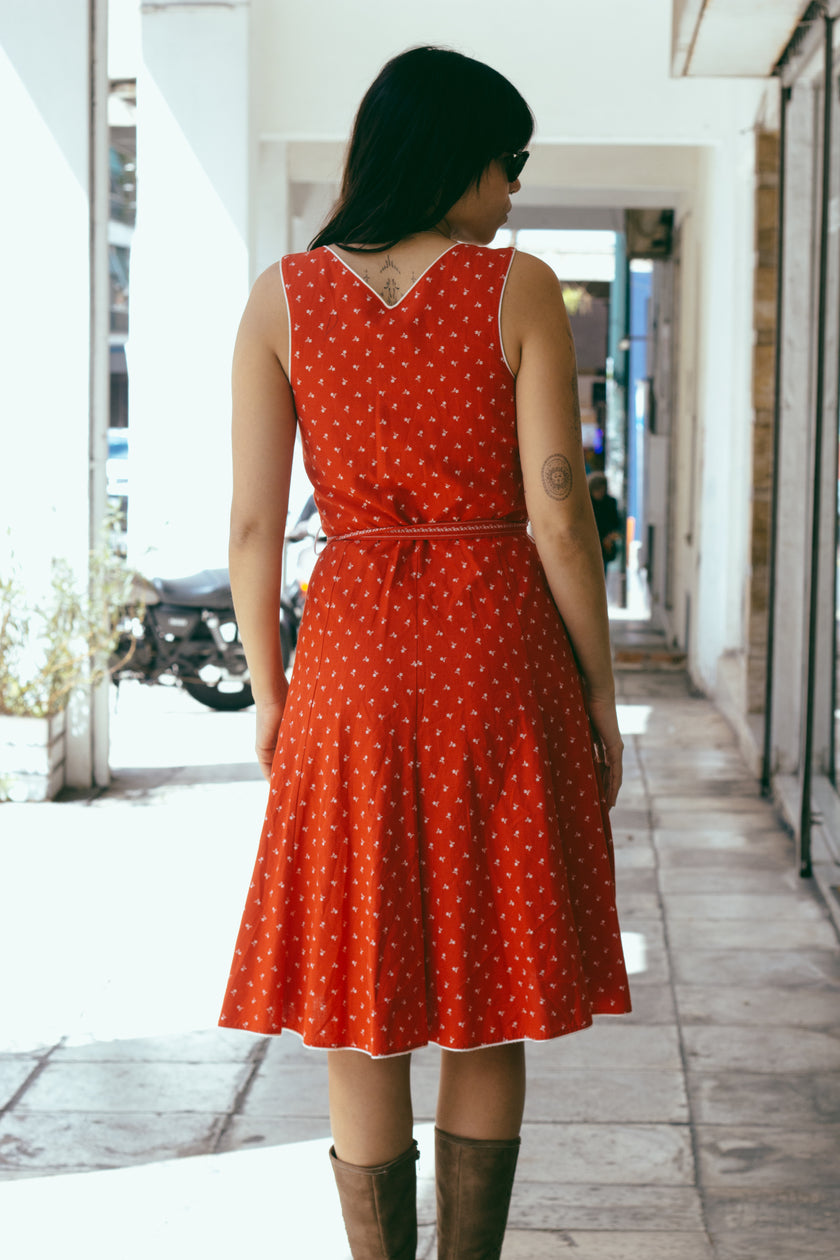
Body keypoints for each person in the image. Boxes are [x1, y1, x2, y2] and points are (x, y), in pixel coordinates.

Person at [219, 45, 631, 1260]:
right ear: (455, 156)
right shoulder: (518, 292)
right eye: (507, 162)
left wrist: (267, 693)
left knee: (361, 1002)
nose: (511, 192)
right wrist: (600, 690)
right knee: (486, 994)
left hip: (348, 665)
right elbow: (559, 512)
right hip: (495, 661)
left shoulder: (281, 296)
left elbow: (251, 526)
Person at [587, 471, 623, 570]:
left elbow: (616, 523)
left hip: (605, 544)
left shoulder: (610, 502)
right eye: (598, 490)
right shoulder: (588, 504)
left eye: (602, 489)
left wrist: (611, 536)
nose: (600, 493)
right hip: (590, 544)